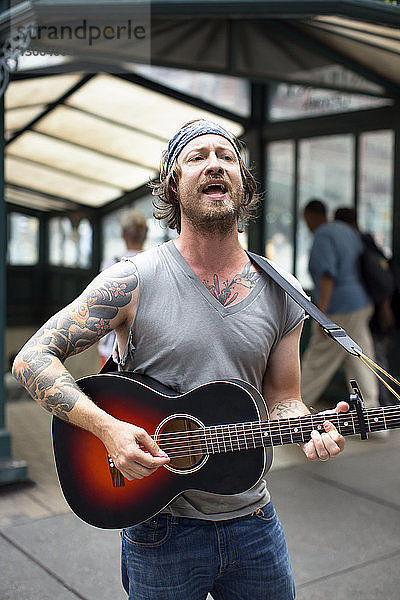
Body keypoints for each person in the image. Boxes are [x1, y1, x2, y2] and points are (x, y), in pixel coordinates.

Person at [12, 120, 349, 600]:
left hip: (253, 519)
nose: (215, 162)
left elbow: (283, 399)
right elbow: (31, 358)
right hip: (159, 529)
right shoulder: (131, 281)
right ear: (173, 183)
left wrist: (310, 428)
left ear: (243, 181)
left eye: (227, 155)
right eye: (198, 156)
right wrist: (107, 429)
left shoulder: (284, 291)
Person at [301, 199, 379, 410]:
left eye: (306, 219)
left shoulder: (323, 235)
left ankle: (293, 410)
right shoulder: (346, 231)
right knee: (360, 359)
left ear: (311, 215)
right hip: (361, 303)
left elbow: (327, 275)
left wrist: (322, 314)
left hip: (339, 307)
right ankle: (372, 414)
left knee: (318, 360)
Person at [334, 206, 397, 406]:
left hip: (375, 311)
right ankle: (380, 408)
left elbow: (379, 280)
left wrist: (384, 307)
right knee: (369, 358)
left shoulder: (361, 244)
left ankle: (386, 406)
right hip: (373, 307)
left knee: (375, 358)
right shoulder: (363, 242)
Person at [98, 210, 148, 366]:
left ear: (123, 235)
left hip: (110, 346)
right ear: (145, 235)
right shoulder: (154, 263)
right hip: (146, 347)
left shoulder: (110, 264)